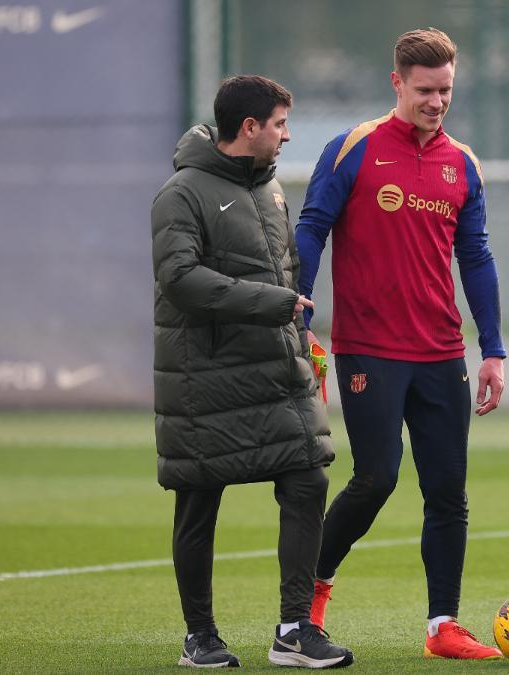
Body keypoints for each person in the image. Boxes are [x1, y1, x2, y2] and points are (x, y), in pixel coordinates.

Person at [295, 28, 506, 660]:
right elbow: (311, 229)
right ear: (397, 84)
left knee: (448, 491)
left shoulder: (462, 162)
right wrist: (299, 313)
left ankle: (444, 626)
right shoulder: (353, 148)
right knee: (377, 477)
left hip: (442, 352)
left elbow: (476, 257)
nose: (436, 101)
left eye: (445, 90)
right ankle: (309, 598)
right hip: (369, 348)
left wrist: (491, 347)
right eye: (424, 90)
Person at [151, 75, 353, 669]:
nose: (287, 136)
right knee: (198, 500)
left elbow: (284, 271)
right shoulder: (181, 193)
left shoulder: (269, 190)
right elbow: (180, 280)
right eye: (280, 125)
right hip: (203, 378)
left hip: (275, 368)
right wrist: (272, 304)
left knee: (308, 480)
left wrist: (297, 330)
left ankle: (293, 631)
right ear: (249, 128)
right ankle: (200, 637)